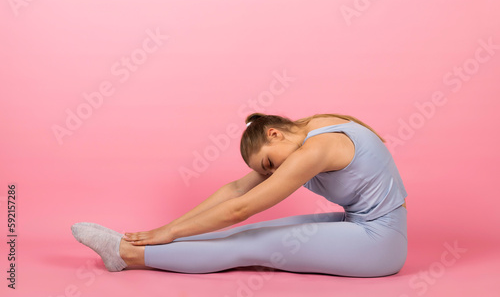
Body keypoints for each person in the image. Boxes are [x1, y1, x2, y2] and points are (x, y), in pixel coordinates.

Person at [71, 112, 408, 277]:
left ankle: (127, 254)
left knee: (249, 244)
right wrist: (166, 227)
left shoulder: (317, 149)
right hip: (360, 225)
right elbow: (235, 190)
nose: (273, 174)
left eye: (269, 164)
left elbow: (240, 207)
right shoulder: (307, 130)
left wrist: (169, 232)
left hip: (379, 244)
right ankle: (136, 245)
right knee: (244, 234)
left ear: (274, 134)